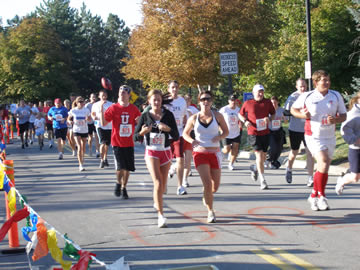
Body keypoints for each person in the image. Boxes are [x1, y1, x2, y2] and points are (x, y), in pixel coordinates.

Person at [291, 70, 347, 211]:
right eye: (324, 80)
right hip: (313, 135)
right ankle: (322, 196)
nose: (327, 82)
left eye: (328, 80)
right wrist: (303, 116)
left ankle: (313, 194)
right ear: (316, 82)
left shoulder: (335, 95)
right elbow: (293, 110)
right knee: (322, 161)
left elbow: (344, 115)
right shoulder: (307, 96)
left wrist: (336, 119)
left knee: (325, 166)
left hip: (329, 135)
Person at [135, 89, 179, 228]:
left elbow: (176, 135)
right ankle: (161, 215)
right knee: (158, 183)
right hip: (152, 152)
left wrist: (167, 129)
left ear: (161, 101)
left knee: (163, 187)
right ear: (149, 101)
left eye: (159, 100)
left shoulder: (168, 115)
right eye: (154, 100)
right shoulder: (145, 116)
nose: (156, 102)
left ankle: (157, 200)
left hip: (165, 152)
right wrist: (143, 132)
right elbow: (136, 136)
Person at [183, 90, 228, 223]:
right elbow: (185, 133)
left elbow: (226, 131)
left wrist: (219, 137)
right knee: (207, 184)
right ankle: (210, 211)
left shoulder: (218, 116)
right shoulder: (194, 118)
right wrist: (193, 141)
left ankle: (206, 195)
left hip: (215, 153)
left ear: (211, 101)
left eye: (208, 99)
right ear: (199, 102)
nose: (206, 102)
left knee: (215, 186)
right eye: (203, 99)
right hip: (200, 153)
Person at [101, 85, 141, 199]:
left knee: (127, 168)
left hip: (129, 142)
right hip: (117, 142)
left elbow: (140, 121)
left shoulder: (134, 108)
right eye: (120, 92)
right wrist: (101, 110)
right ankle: (118, 183)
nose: (121, 94)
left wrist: (139, 122)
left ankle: (124, 187)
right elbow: (104, 123)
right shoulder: (114, 108)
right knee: (120, 167)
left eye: (124, 92)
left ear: (129, 95)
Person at [239, 84, 275, 190]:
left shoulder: (267, 102)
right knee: (259, 155)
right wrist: (245, 121)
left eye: (262, 91)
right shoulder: (248, 103)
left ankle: (255, 168)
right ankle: (262, 180)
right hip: (253, 132)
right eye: (258, 92)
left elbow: (273, 114)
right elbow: (240, 114)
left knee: (263, 157)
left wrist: (269, 119)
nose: (260, 94)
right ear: (253, 93)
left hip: (265, 132)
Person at [283, 78, 315, 186]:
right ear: (296, 87)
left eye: (304, 86)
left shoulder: (311, 95)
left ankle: (310, 178)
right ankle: (289, 168)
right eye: (300, 86)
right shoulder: (293, 97)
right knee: (294, 152)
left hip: (308, 129)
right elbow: (286, 112)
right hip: (295, 129)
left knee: (310, 153)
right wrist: (298, 112)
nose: (303, 88)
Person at [165, 80, 188, 195]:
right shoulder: (164, 101)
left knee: (180, 159)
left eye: (176, 87)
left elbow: (184, 117)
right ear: (168, 89)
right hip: (165, 135)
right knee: (166, 161)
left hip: (178, 134)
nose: (174, 89)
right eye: (172, 87)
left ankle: (180, 186)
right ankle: (163, 183)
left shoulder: (182, 101)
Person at [335, 92, 360, 195]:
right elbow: (344, 131)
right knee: (355, 178)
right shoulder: (352, 114)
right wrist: (355, 139)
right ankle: (342, 181)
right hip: (356, 149)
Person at [219, 94, 242, 170]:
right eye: (231, 100)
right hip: (226, 132)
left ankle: (231, 164)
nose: (233, 102)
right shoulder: (224, 109)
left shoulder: (238, 110)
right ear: (228, 101)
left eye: (234, 100)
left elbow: (241, 119)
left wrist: (241, 124)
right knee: (227, 149)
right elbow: (218, 119)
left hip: (236, 132)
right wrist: (220, 128)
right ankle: (220, 153)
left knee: (235, 148)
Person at [68, 96, 92, 171]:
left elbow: (90, 118)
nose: (82, 103)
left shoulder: (86, 110)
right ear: (77, 103)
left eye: (83, 102)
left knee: (83, 147)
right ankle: (80, 164)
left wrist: (87, 119)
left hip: (84, 130)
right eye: (80, 102)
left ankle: (82, 159)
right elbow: (68, 118)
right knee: (79, 147)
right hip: (76, 130)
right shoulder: (73, 110)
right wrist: (70, 121)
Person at [92, 90, 113, 168]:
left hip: (109, 126)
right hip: (100, 126)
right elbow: (93, 113)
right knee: (102, 142)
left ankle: (105, 158)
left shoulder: (111, 104)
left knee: (107, 144)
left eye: (105, 95)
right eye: (102, 95)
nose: (103, 96)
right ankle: (101, 160)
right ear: (99, 96)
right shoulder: (95, 104)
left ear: (106, 96)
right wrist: (94, 117)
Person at [182, 94, 199, 187]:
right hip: (179, 135)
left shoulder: (194, 109)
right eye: (185, 99)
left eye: (188, 99)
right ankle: (173, 168)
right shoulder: (178, 108)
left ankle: (185, 179)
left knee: (188, 158)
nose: (187, 101)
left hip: (189, 134)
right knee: (180, 159)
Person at [266, 96, 286, 169]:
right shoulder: (268, 110)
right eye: (272, 103)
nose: (273, 104)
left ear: (278, 102)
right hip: (270, 131)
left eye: (275, 102)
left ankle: (274, 162)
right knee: (273, 147)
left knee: (279, 148)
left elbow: (286, 120)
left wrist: (284, 118)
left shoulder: (281, 110)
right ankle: (268, 160)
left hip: (279, 131)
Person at [85, 93, 100, 157]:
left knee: (97, 137)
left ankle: (97, 151)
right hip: (89, 123)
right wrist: (88, 117)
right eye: (92, 97)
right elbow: (85, 113)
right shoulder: (87, 105)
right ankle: (90, 149)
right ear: (90, 98)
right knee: (90, 137)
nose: (93, 98)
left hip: (96, 122)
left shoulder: (97, 104)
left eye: (94, 97)